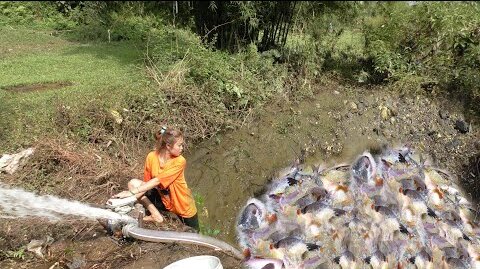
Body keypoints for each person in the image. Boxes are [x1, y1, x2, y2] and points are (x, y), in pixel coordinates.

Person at [111, 126, 199, 231]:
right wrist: (127, 199)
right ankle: (156, 216)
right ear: (168, 146)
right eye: (179, 145)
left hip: (183, 206)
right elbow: (147, 185)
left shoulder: (180, 161)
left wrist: (131, 193)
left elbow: (158, 180)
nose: (182, 148)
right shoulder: (151, 157)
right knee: (133, 183)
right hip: (163, 200)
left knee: (195, 235)